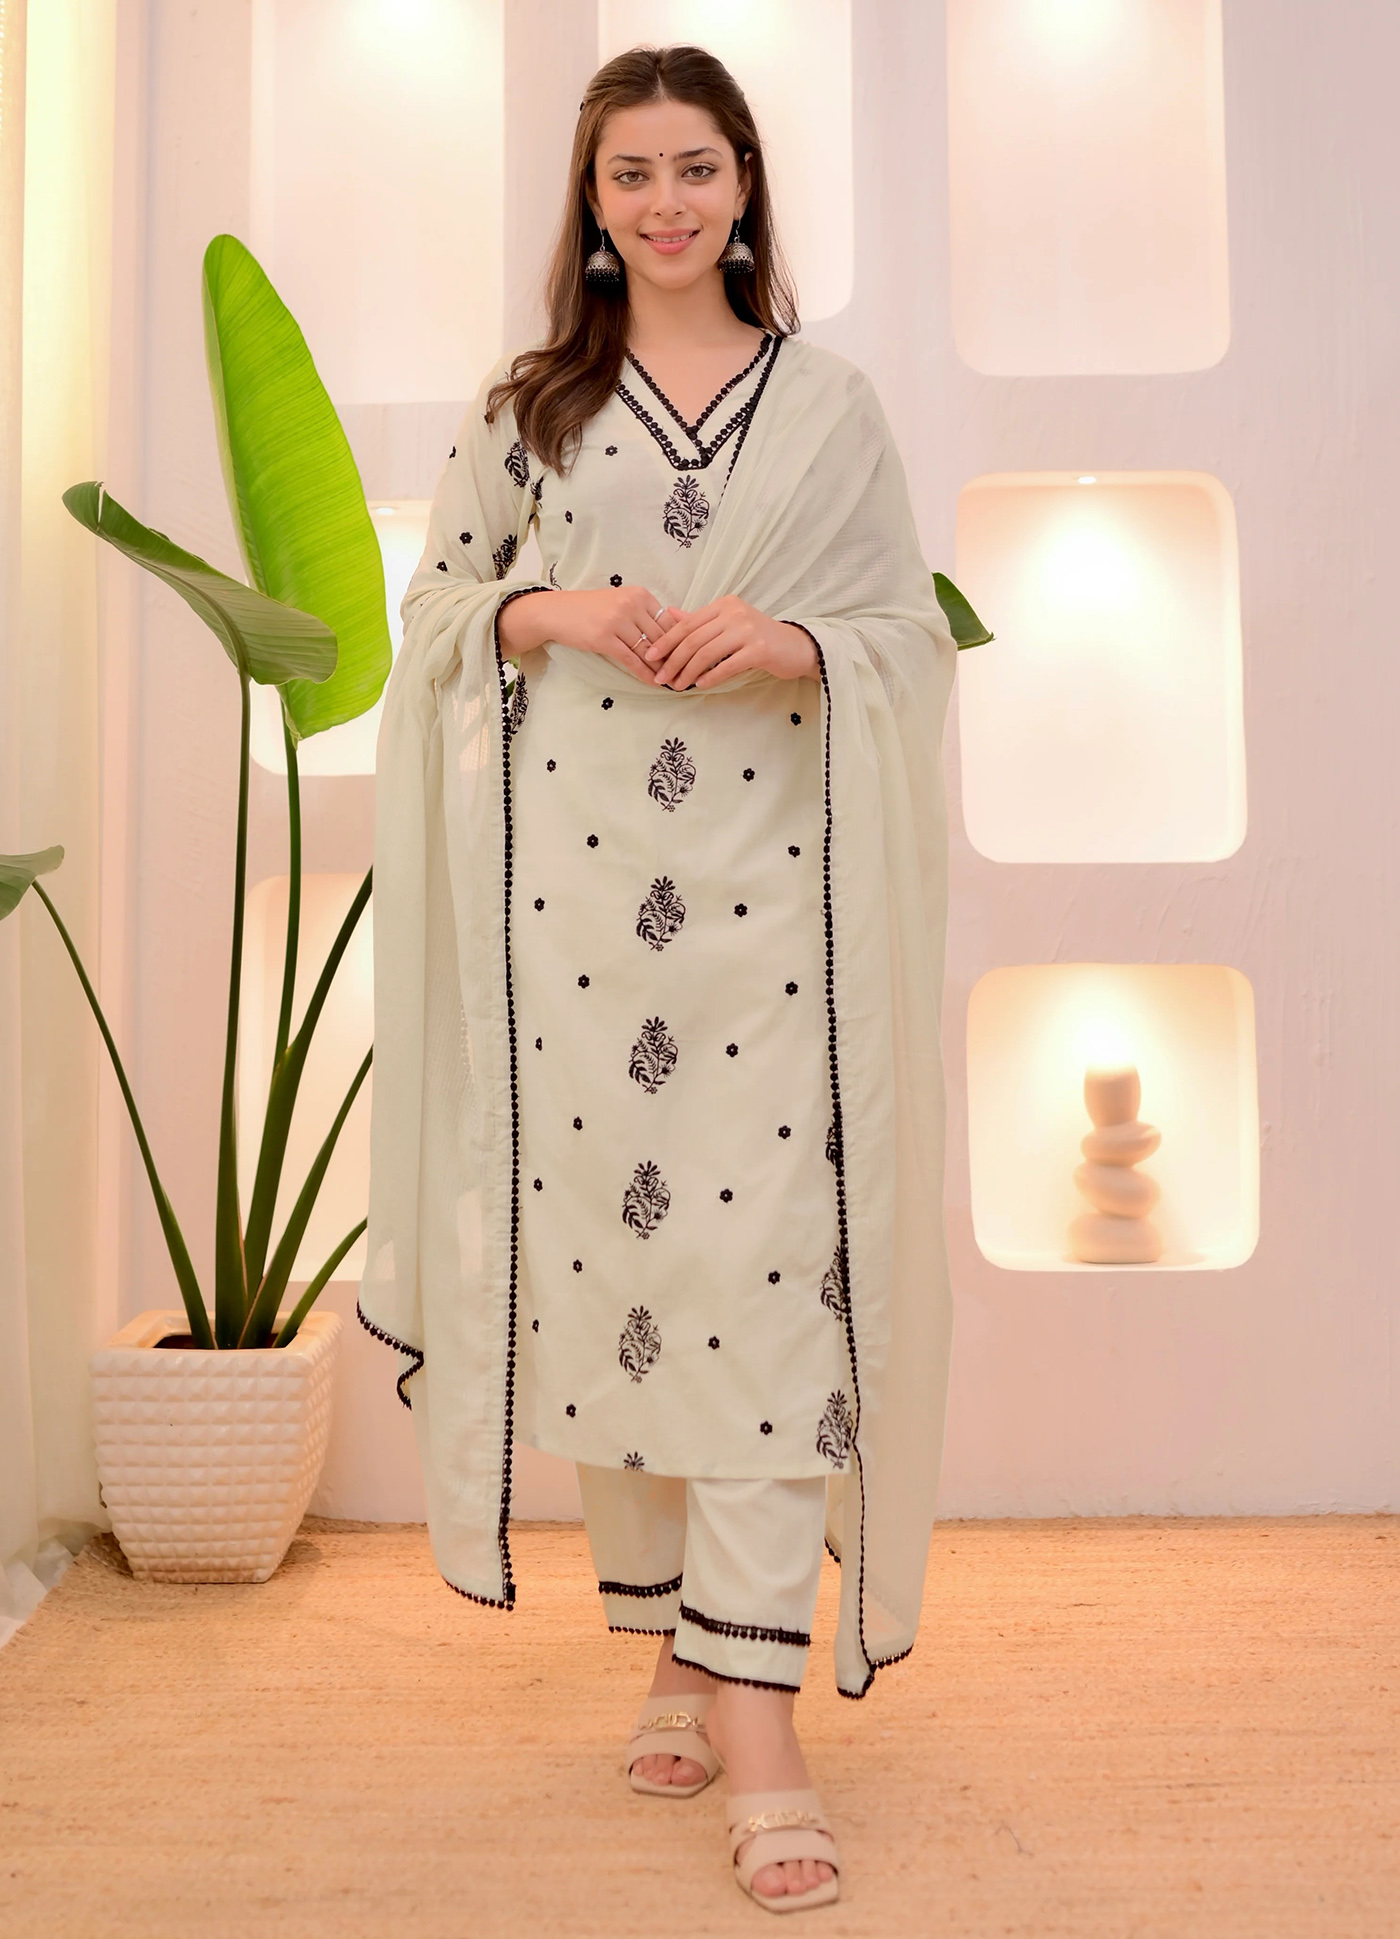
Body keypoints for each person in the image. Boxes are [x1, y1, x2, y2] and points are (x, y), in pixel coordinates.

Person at [358, 43, 956, 1914]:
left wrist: (797, 640)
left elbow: (906, 631)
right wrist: (554, 608)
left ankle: (759, 1723)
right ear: (594, 203)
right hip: (583, 926)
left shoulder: (830, 407)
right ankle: (686, 1650)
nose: (668, 202)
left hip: (778, 921)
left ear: (747, 185)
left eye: (698, 168)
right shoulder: (530, 407)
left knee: (772, 1287)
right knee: (637, 1283)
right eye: (633, 174)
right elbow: (436, 613)